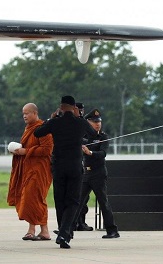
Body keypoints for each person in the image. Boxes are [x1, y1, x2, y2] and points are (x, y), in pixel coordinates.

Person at [34, 95, 97, 249]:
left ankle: (64, 232)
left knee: (60, 200)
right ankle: (64, 233)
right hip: (75, 166)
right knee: (73, 201)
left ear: (61, 107)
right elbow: (93, 134)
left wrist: (51, 119)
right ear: (74, 107)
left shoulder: (55, 122)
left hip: (59, 167)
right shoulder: (80, 122)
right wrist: (79, 116)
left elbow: (37, 132)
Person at [7, 103, 54, 241]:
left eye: (27, 113)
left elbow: (47, 149)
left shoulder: (43, 128)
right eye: (23, 113)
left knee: (35, 198)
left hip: (40, 170)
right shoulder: (28, 129)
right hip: (29, 169)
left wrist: (25, 151)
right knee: (31, 199)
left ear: (35, 113)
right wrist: (18, 151)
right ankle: (41, 230)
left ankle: (36, 230)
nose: (24, 116)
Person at [73, 109, 120, 238]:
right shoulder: (83, 137)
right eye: (94, 122)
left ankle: (112, 230)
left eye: (99, 121)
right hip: (85, 173)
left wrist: (90, 152)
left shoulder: (103, 137)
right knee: (77, 202)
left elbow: (103, 154)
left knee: (103, 203)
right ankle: (68, 228)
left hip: (98, 174)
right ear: (88, 122)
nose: (97, 124)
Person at [73, 102, 93, 232]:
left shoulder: (84, 124)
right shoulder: (70, 124)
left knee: (84, 198)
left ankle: (81, 222)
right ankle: (73, 223)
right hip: (74, 163)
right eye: (78, 110)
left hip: (85, 163)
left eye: (81, 110)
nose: (80, 112)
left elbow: (91, 138)